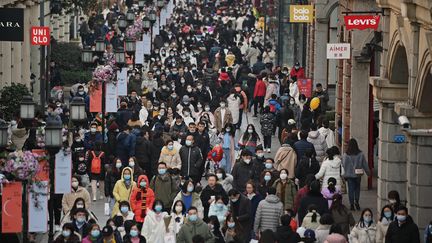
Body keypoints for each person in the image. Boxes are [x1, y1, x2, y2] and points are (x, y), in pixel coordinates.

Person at [342, 138, 370, 211]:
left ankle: (351, 204)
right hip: (358, 174)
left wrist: (343, 174)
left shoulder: (346, 155)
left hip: (349, 175)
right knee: (357, 189)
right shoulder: (360, 154)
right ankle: (356, 202)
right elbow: (365, 164)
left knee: (350, 190)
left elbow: (343, 165)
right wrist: (368, 173)